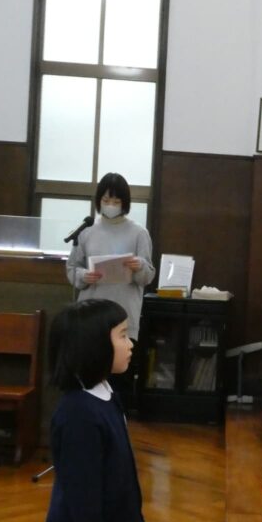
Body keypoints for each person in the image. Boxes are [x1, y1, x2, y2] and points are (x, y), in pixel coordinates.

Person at [31, 299, 149, 522]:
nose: (130, 344)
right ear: (94, 345)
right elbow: (81, 492)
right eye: (122, 336)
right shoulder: (78, 413)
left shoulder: (104, 394)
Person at [66, 173, 156, 409]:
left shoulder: (139, 233)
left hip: (123, 315)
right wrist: (84, 276)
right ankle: (89, 419)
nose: (111, 205)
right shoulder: (87, 231)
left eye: (116, 201)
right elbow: (72, 269)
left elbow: (148, 276)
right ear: (99, 201)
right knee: (89, 376)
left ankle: (117, 421)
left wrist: (138, 266)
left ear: (125, 203)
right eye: (106, 200)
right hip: (91, 315)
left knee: (119, 382)